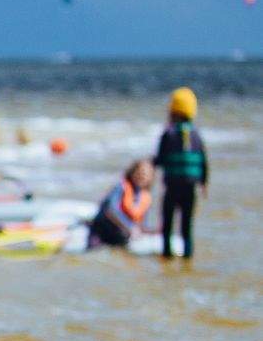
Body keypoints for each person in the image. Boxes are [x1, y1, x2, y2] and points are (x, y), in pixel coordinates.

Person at [154, 86, 209, 259]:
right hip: (190, 188)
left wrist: (149, 164)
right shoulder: (196, 135)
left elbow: (160, 159)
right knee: (187, 226)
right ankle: (187, 256)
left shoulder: (168, 134)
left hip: (172, 187)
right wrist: (204, 183)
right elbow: (203, 161)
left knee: (168, 224)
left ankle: (167, 255)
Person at [89, 158, 155, 250]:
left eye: (146, 175)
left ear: (150, 178)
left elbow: (143, 225)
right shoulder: (121, 187)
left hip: (121, 235)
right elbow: (110, 210)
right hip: (102, 230)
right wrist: (129, 227)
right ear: (132, 173)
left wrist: (154, 231)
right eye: (140, 173)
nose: (142, 177)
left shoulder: (145, 197)